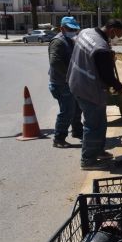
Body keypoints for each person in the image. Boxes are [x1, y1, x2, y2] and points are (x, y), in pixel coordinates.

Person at [67, 20, 122, 170]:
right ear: (112, 30)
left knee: (100, 121)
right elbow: (107, 76)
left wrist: (106, 57)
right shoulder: (101, 48)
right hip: (89, 88)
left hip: (76, 81)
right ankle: (88, 160)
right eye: (118, 35)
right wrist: (118, 86)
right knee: (93, 125)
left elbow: (89, 54)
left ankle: (98, 150)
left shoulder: (86, 32)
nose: (117, 38)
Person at [48, 16, 83, 148]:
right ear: (62, 28)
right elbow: (55, 62)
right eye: (70, 29)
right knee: (67, 111)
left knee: (77, 108)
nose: (73, 31)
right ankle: (59, 138)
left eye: (75, 29)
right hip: (61, 83)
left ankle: (77, 131)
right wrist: (69, 76)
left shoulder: (70, 40)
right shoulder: (58, 42)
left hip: (70, 82)